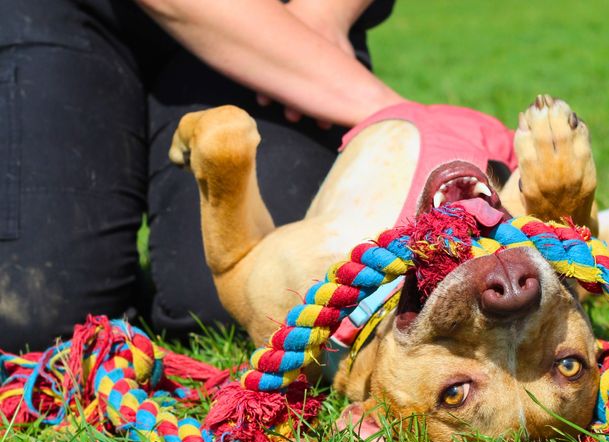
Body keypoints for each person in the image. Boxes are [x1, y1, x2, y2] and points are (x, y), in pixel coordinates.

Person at [0, 0, 403, 352]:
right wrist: (391, 109)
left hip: (285, 12)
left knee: (252, 301)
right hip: (68, 13)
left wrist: (323, 15)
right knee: (40, 318)